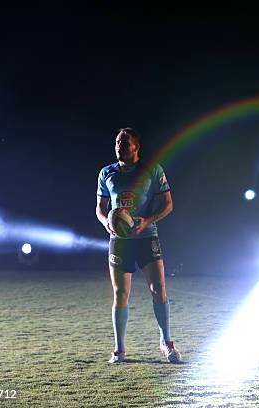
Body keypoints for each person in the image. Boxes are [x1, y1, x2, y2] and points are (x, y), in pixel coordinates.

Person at [95, 127, 181, 364]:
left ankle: (166, 342)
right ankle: (119, 350)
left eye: (124, 142)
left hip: (146, 237)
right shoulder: (106, 173)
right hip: (120, 242)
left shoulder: (152, 171)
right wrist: (106, 223)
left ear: (136, 147)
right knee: (120, 293)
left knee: (158, 288)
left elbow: (168, 204)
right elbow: (100, 209)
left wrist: (148, 220)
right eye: (117, 142)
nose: (119, 146)